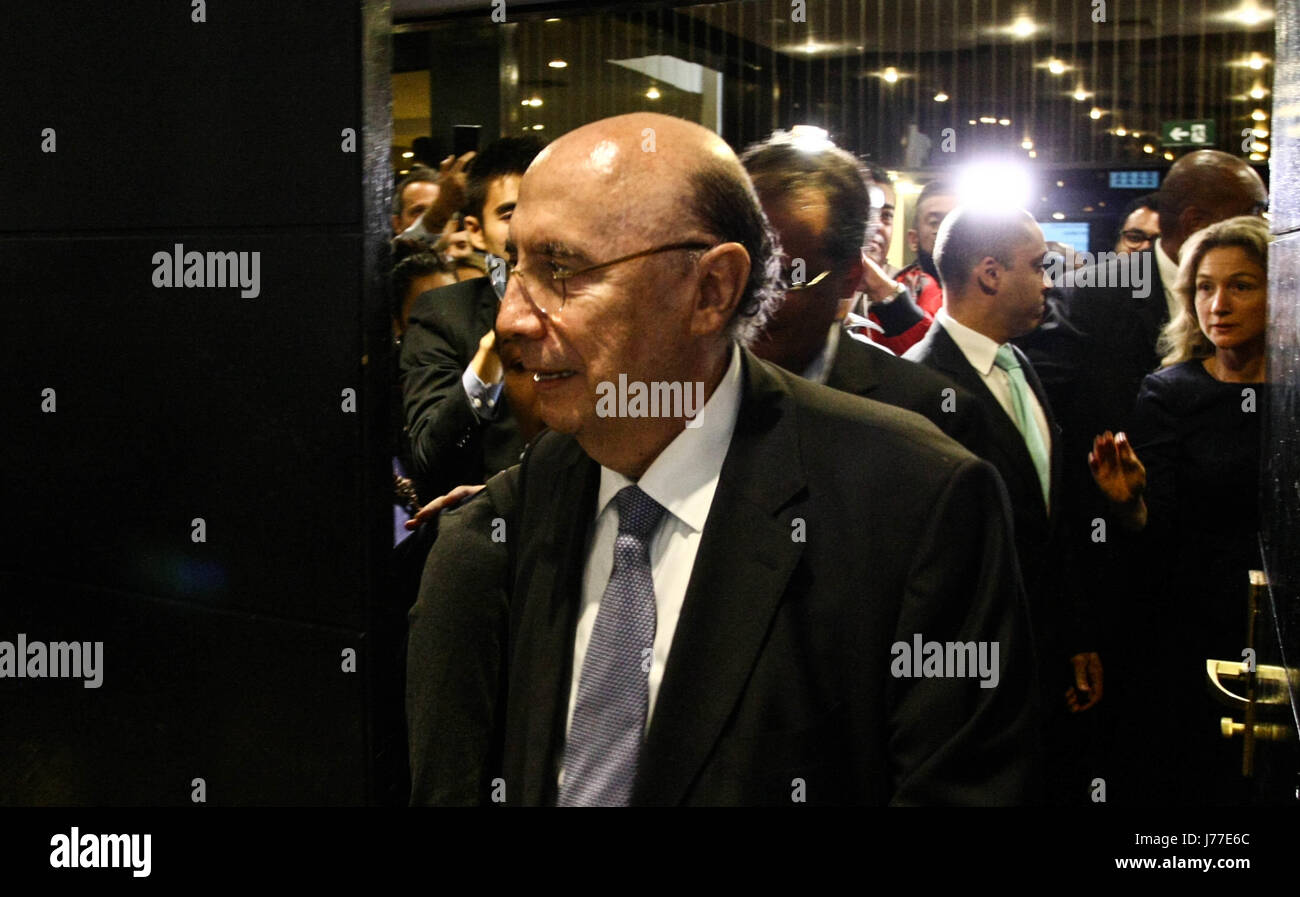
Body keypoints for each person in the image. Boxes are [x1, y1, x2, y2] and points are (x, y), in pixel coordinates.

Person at [407, 112, 1041, 806]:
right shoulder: (509, 514)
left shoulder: (917, 502)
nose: (511, 319)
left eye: (562, 270)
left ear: (710, 290)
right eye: (516, 269)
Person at [904, 206, 1103, 801]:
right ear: (990, 273)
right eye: (1039, 266)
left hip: (1044, 668)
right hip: (971, 688)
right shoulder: (917, 389)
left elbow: (1049, 522)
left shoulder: (1021, 365)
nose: (1050, 281)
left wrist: (1075, 637)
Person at [1087, 216, 1271, 804]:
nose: (1218, 304)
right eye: (1203, 287)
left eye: (1241, 285)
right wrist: (1130, 504)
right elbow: (1154, 535)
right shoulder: (1170, 391)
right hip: (1193, 631)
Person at [738, 130, 982, 444]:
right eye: (735, 270)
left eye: (785, 279)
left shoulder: (925, 412)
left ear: (851, 276)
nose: (747, 298)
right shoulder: (677, 392)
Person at [399, 136, 545, 502]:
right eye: (510, 214)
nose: (528, 226)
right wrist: (493, 352)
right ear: (475, 230)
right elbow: (430, 458)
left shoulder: (593, 307)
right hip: (485, 530)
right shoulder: (443, 314)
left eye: (543, 207)